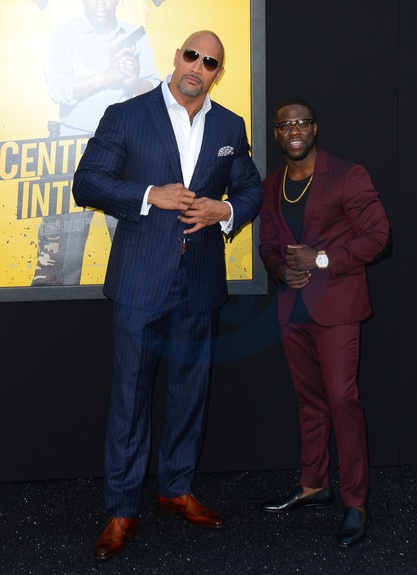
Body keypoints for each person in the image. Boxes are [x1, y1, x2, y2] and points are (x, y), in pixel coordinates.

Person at [72, 30, 263, 560]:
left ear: (218, 72)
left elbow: (250, 188)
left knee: (189, 394)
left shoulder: (229, 126)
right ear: (177, 57)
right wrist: (148, 194)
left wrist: (225, 211)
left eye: (210, 62)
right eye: (192, 55)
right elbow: (87, 182)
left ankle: (176, 488)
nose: (198, 67)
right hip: (140, 280)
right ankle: (121, 508)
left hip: (199, 281)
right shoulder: (126, 115)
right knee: (129, 399)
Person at [258, 98, 390, 547]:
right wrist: (281, 271)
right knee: (310, 401)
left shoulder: (348, 176)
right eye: (285, 125)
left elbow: (379, 237)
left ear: (314, 128)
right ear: (277, 134)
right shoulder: (271, 185)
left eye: (301, 123)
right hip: (292, 309)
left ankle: (356, 502)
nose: (293, 130)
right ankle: (314, 484)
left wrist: (321, 260)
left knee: (342, 400)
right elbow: (268, 247)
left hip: (337, 307)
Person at [32, 0, 161, 286]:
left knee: (132, 243)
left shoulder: (134, 34)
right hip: (74, 148)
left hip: (125, 150)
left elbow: (154, 89)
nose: (101, 2)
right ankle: (60, 310)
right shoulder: (65, 32)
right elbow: (58, 89)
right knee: (65, 252)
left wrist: (133, 81)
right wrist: (110, 76)